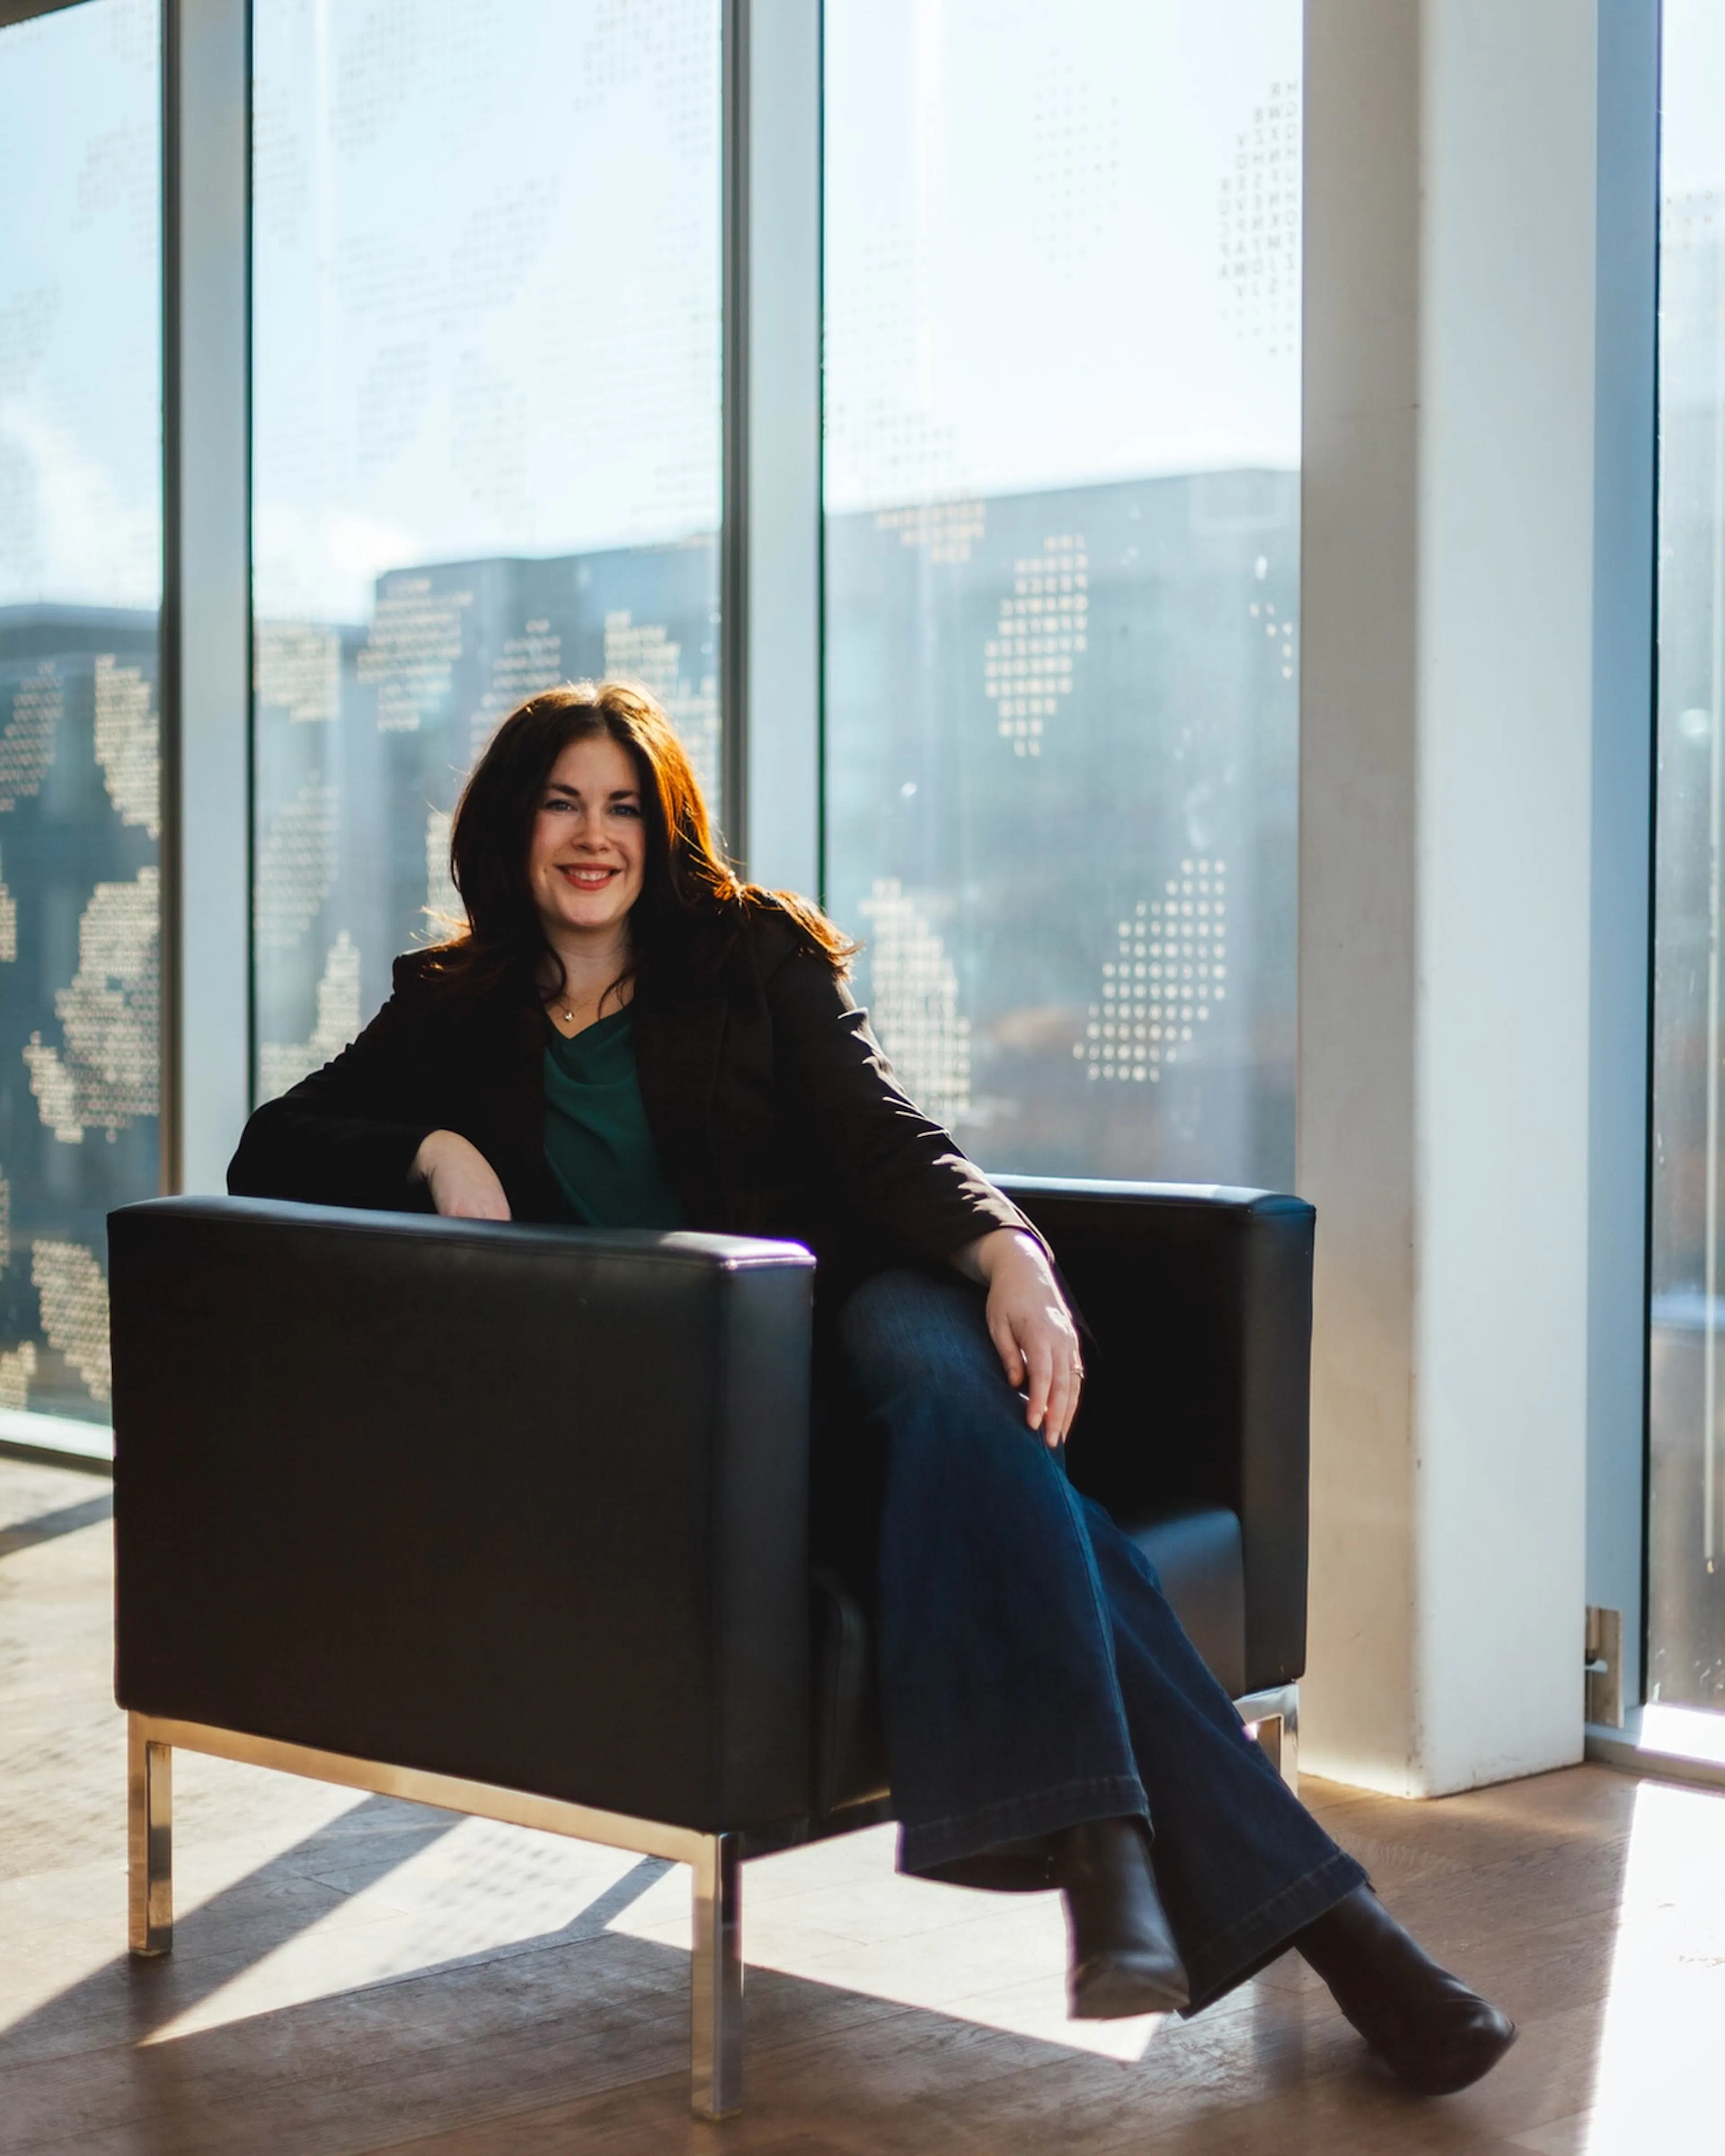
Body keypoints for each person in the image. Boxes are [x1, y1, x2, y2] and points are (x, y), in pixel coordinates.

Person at [229, 680, 1516, 2095]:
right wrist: (430, 1150)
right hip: (696, 1415)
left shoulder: (751, 954)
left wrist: (1011, 1249)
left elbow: (884, 1135)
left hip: (855, 1324)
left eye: (624, 809)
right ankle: (1254, 1904)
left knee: (936, 1371)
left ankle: (1121, 1857)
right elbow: (272, 1147)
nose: (595, 837)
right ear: (510, 827)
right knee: (1048, 1521)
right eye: (563, 805)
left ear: (663, 831)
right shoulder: (449, 1011)